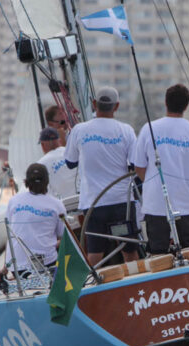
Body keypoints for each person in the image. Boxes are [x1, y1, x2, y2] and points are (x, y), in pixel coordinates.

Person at [133, 83, 189, 255]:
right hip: (186, 205)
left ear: (166, 102)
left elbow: (139, 166)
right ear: (186, 106)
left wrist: (150, 183)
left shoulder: (149, 129)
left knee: (158, 255)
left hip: (155, 204)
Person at [64, 86, 139, 266]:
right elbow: (135, 165)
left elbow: (70, 162)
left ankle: (90, 282)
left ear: (94, 103)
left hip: (94, 204)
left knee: (95, 254)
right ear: (117, 106)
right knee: (130, 251)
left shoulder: (79, 130)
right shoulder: (126, 130)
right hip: (121, 203)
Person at [0, 163, 66, 281]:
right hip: (47, 265)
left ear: (26, 182)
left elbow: (11, 234)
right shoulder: (57, 204)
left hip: (17, 269)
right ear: (47, 181)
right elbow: (63, 237)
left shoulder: (14, 201)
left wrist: (5, 268)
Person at [37, 127, 78, 200]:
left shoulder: (41, 164)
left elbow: (43, 192)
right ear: (59, 140)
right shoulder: (71, 152)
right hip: (84, 199)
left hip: (64, 204)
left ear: (42, 145)